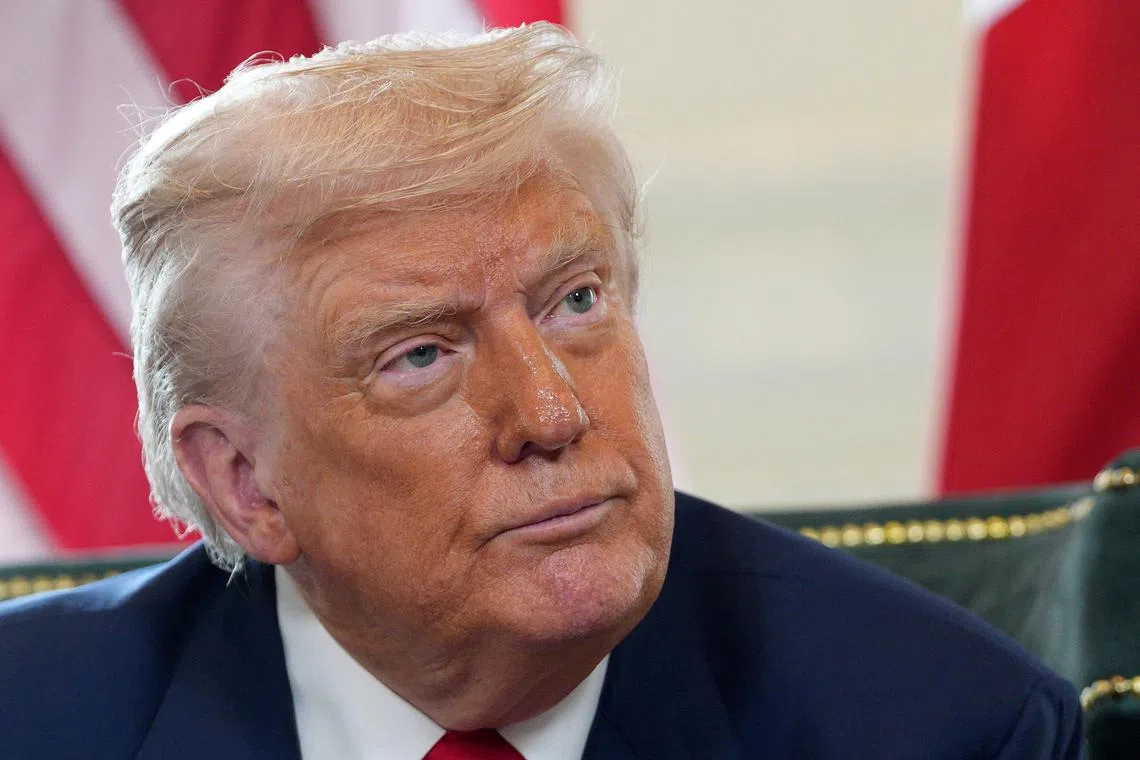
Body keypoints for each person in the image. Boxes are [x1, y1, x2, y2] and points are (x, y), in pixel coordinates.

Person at [0, 23, 1080, 759]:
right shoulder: (36, 723)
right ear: (244, 481)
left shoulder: (934, 725)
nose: (554, 413)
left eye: (575, 301)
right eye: (421, 355)